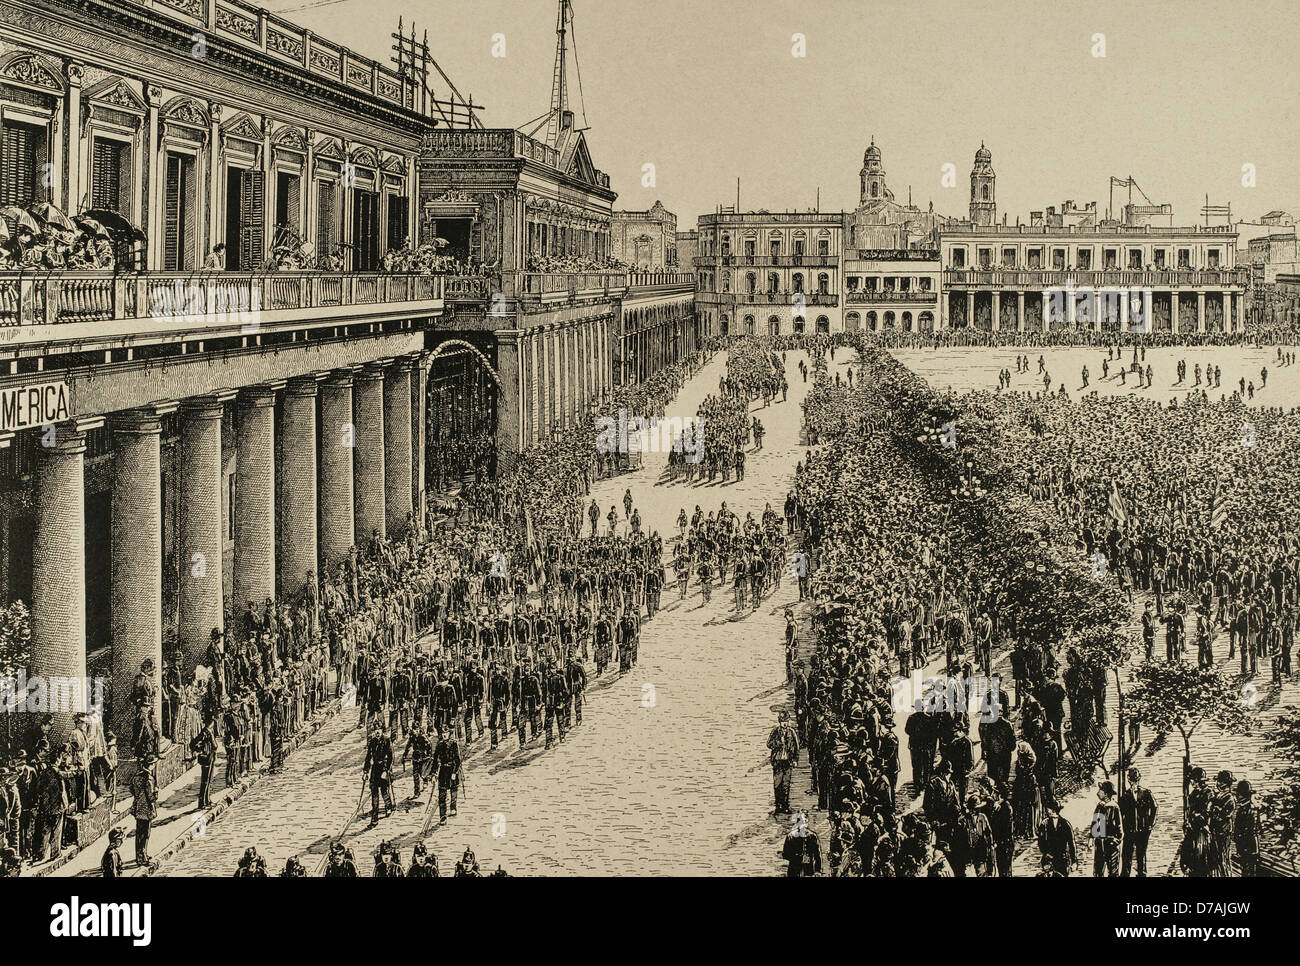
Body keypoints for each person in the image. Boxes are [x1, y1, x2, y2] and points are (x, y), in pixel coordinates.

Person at [1118, 767, 1157, 877]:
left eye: (1136, 780)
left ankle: (1142, 874)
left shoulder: (1146, 793)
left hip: (1143, 830)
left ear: (1139, 780)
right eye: (1132, 780)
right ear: (1129, 780)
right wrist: (1123, 828)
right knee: (1127, 854)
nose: (1134, 782)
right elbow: (1120, 814)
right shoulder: (1125, 796)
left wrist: (1150, 824)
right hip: (1129, 831)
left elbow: (1154, 808)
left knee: (1141, 854)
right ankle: (1125, 874)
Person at [767, 711, 799, 814]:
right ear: (779, 722)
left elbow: (796, 747)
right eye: (782, 721)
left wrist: (795, 760)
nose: (785, 723)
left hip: (787, 761)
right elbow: (769, 744)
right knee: (777, 784)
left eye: (786, 721)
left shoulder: (791, 732)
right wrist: (778, 743)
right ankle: (778, 805)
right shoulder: (775, 731)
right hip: (778, 760)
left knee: (786, 784)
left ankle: (785, 805)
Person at [130, 754, 158, 868]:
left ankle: (139, 856)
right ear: (150, 765)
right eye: (153, 763)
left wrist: (138, 796)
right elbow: (151, 796)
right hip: (146, 807)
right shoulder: (149, 778)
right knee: (145, 833)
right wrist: (156, 793)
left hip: (138, 806)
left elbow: (131, 789)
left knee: (139, 833)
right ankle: (143, 858)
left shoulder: (137, 776)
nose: (154, 765)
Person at [362, 727, 395, 827]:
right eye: (375, 730)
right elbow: (368, 757)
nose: (377, 732)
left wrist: (386, 771)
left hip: (384, 768)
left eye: (379, 730)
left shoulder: (386, 740)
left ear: (381, 730)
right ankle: (374, 819)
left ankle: (388, 806)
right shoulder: (372, 741)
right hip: (375, 769)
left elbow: (391, 757)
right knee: (374, 794)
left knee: (384, 791)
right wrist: (366, 771)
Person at [1091, 780, 1122, 877]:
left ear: (1106, 793)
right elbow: (1095, 824)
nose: (1098, 793)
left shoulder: (1114, 807)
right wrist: (1092, 837)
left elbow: (1119, 827)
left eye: (1100, 790)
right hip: (1100, 843)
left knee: (1113, 871)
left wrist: (1117, 840)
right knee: (1098, 871)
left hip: (1111, 843)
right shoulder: (1100, 806)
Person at [1036, 801, 1076, 876]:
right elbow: (1041, 841)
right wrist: (1046, 853)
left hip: (1062, 859)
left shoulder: (1065, 824)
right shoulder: (1044, 823)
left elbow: (1071, 843)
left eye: (1048, 808)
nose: (1047, 810)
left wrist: (1074, 861)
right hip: (1048, 859)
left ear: (1053, 810)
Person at [434, 727, 462, 825]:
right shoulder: (440, 744)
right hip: (443, 771)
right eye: (442, 733)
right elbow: (435, 759)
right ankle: (443, 816)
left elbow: (458, 760)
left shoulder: (454, 743)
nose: (444, 734)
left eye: (446, 733)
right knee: (442, 795)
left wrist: (454, 772)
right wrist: (434, 774)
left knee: (453, 790)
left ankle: (453, 807)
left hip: (452, 770)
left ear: (449, 733)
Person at [1233, 780, 1261, 877]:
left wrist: (1239, 840)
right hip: (1245, 846)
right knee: (1246, 870)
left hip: (1249, 846)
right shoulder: (1243, 808)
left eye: (1238, 794)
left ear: (1244, 795)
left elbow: (1250, 830)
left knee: (1249, 871)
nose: (1236, 796)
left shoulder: (1250, 809)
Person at [780, 812, 821, 877]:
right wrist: (798, 858)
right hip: (794, 869)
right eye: (801, 822)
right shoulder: (791, 836)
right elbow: (785, 855)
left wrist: (817, 871)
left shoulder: (813, 836)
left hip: (808, 870)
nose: (803, 825)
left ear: (807, 822)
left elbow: (817, 855)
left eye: (805, 822)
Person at [190, 721, 217, 810]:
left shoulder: (210, 732)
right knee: (204, 781)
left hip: (211, 757)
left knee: (209, 780)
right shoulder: (204, 733)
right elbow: (193, 744)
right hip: (206, 758)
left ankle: (207, 800)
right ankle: (202, 803)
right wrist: (202, 751)